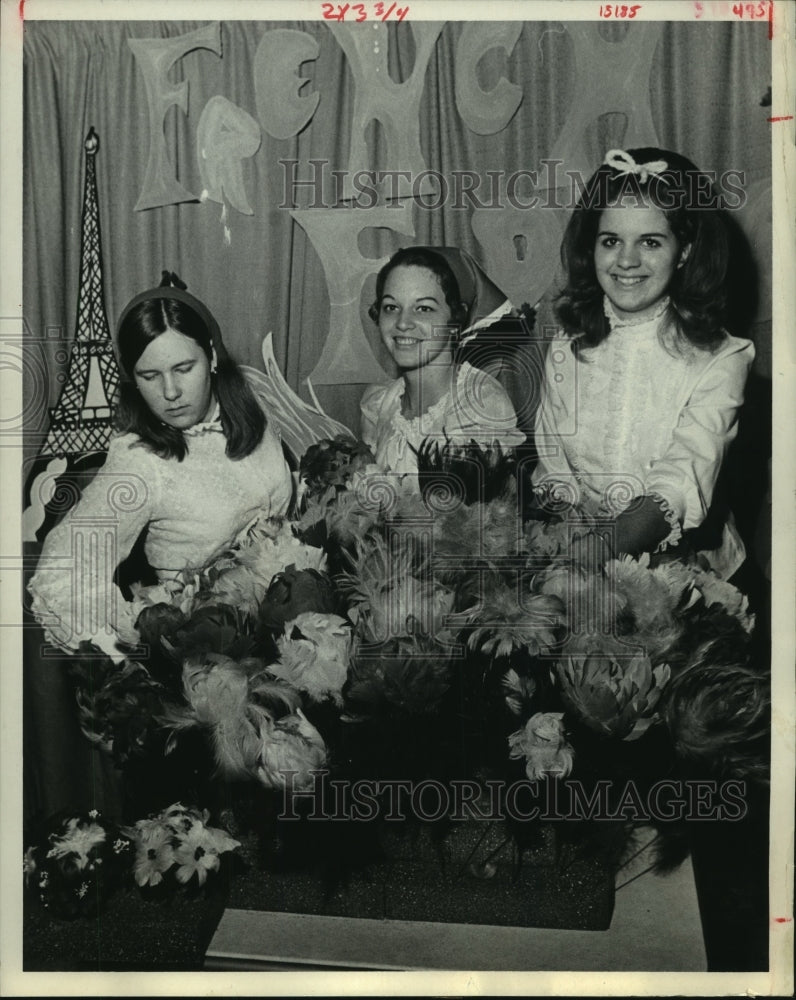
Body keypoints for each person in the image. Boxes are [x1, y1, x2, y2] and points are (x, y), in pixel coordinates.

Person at [28, 272, 293, 662]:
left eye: (184, 368)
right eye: (150, 376)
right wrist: (124, 657)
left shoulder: (250, 403)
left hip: (287, 628)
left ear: (213, 357)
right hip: (214, 661)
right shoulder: (139, 461)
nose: (170, 392)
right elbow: (61, 571)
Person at [533, 148, 754, 579]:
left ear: (685, 250)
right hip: (585, 568)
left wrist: (592, 556)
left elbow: (677, 483)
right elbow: (553, 472)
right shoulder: (567, 344)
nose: (627, 261)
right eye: (611, 240)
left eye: (650, 242)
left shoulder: (722, 358)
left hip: (694, 579)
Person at [360, 246, 525, 480]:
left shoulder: (481, 406)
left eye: (424, 308)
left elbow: (481, 514)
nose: (403, 322)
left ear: (456, 318)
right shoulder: (379, 405)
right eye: (391, 307)